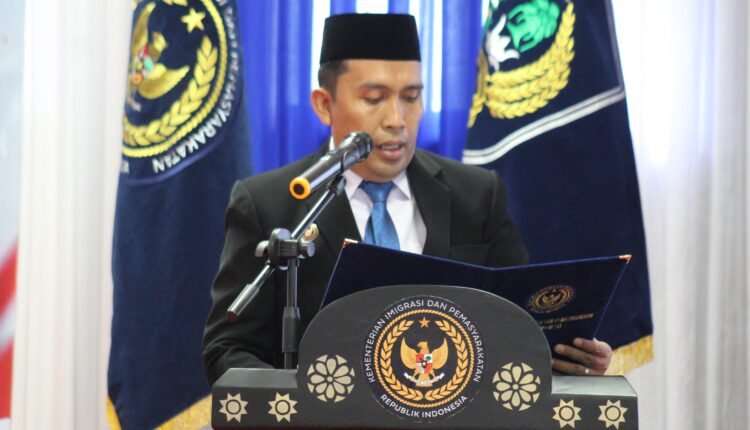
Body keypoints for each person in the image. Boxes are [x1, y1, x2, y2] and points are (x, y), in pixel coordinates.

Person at [202, 13, 611, 386]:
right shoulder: (269, 204)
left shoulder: (476, 195)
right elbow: (228, 349)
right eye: (374, 98)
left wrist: (570, 354)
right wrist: (296, 402)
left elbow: (520, 327)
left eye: (411, 97)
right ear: (325, 105)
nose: (397, 119)